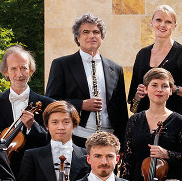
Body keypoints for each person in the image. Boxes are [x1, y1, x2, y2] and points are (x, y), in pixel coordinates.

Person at [47, 13, 128, 146]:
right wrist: (81, 105)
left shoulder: (115, 68)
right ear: (78, 38)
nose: (91, 36)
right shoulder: (62, 64)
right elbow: (52, 101)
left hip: (109, 138)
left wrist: (123, 143)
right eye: (86, 32)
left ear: (102, 37)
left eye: (96, 32)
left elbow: (121, 110)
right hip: (77, 136)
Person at [0, 45, 53, 172]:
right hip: (1, 172)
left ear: (31, 71)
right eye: (13, 68)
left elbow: (51, 142)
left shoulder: (48, 104)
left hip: (36, 172)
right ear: (6, 72)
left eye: (24, 68)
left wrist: (32, 126)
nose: (19, 74)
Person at [121, 68, 182, 181]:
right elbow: (128, 160)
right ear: (146, 89)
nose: (159, 90)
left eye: (164, 86)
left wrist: (167, 154)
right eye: (154, 85)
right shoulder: (134, 120)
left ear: (170, 91)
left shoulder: (179, 121)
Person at [17, 101, 90, 181]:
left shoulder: (87, 155)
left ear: (74, 125)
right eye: (54, 122)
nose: (60, 127)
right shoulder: (32, 155)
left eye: (66, 122)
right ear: (46, 125)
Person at [131, 5, 182, 121]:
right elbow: (133, 99)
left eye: (168, 22)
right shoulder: (142, 55)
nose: (162, 25)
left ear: (174, 26)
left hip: (175, 119)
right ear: (151, 22)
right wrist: (139, 94)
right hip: (146, 119)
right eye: (158, 20)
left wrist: (173, 88)